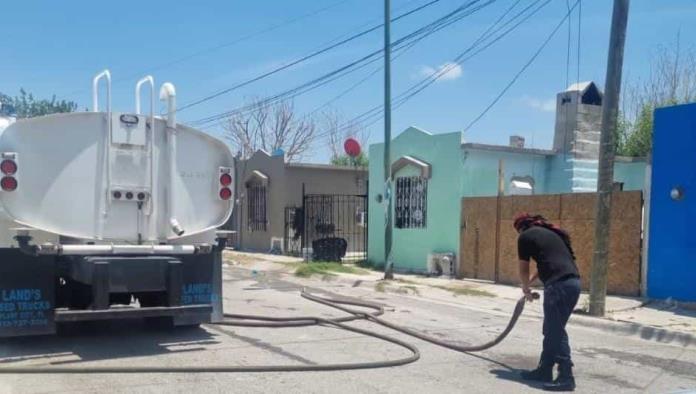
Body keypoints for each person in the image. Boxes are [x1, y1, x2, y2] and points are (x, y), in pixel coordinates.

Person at [514, 213, 581, 392]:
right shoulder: (551, 234)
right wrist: (532, 282)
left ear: (520, 228)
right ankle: (544, 370)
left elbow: (524, 269)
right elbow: (545, 265)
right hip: (572, 284)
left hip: (558, 286)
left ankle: (566, 376)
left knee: (554, 330)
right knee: (552, 328)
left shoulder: (525, 237)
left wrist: (525, 288)